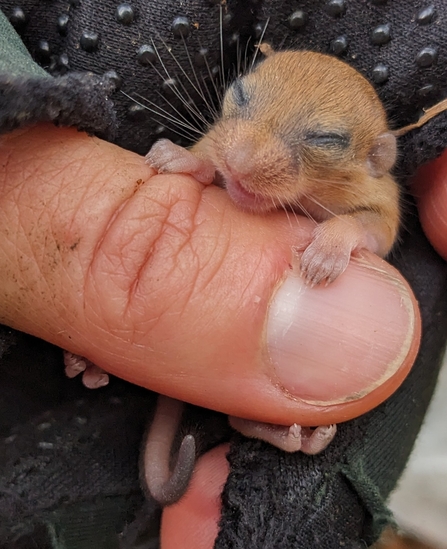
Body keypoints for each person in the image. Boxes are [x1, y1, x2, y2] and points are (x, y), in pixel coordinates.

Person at [1, 2, 446, 547]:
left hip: (245, 358)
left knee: (270, 402)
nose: (246, 154)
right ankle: (110, 351)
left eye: (323, 141)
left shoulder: (365, 186)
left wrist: (344, 235)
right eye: (241, 103)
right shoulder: (232, 142)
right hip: (182, 321)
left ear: (375, 157)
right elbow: (210, 153)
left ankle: (251, 418)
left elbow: (378, 223)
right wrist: (195, 165)